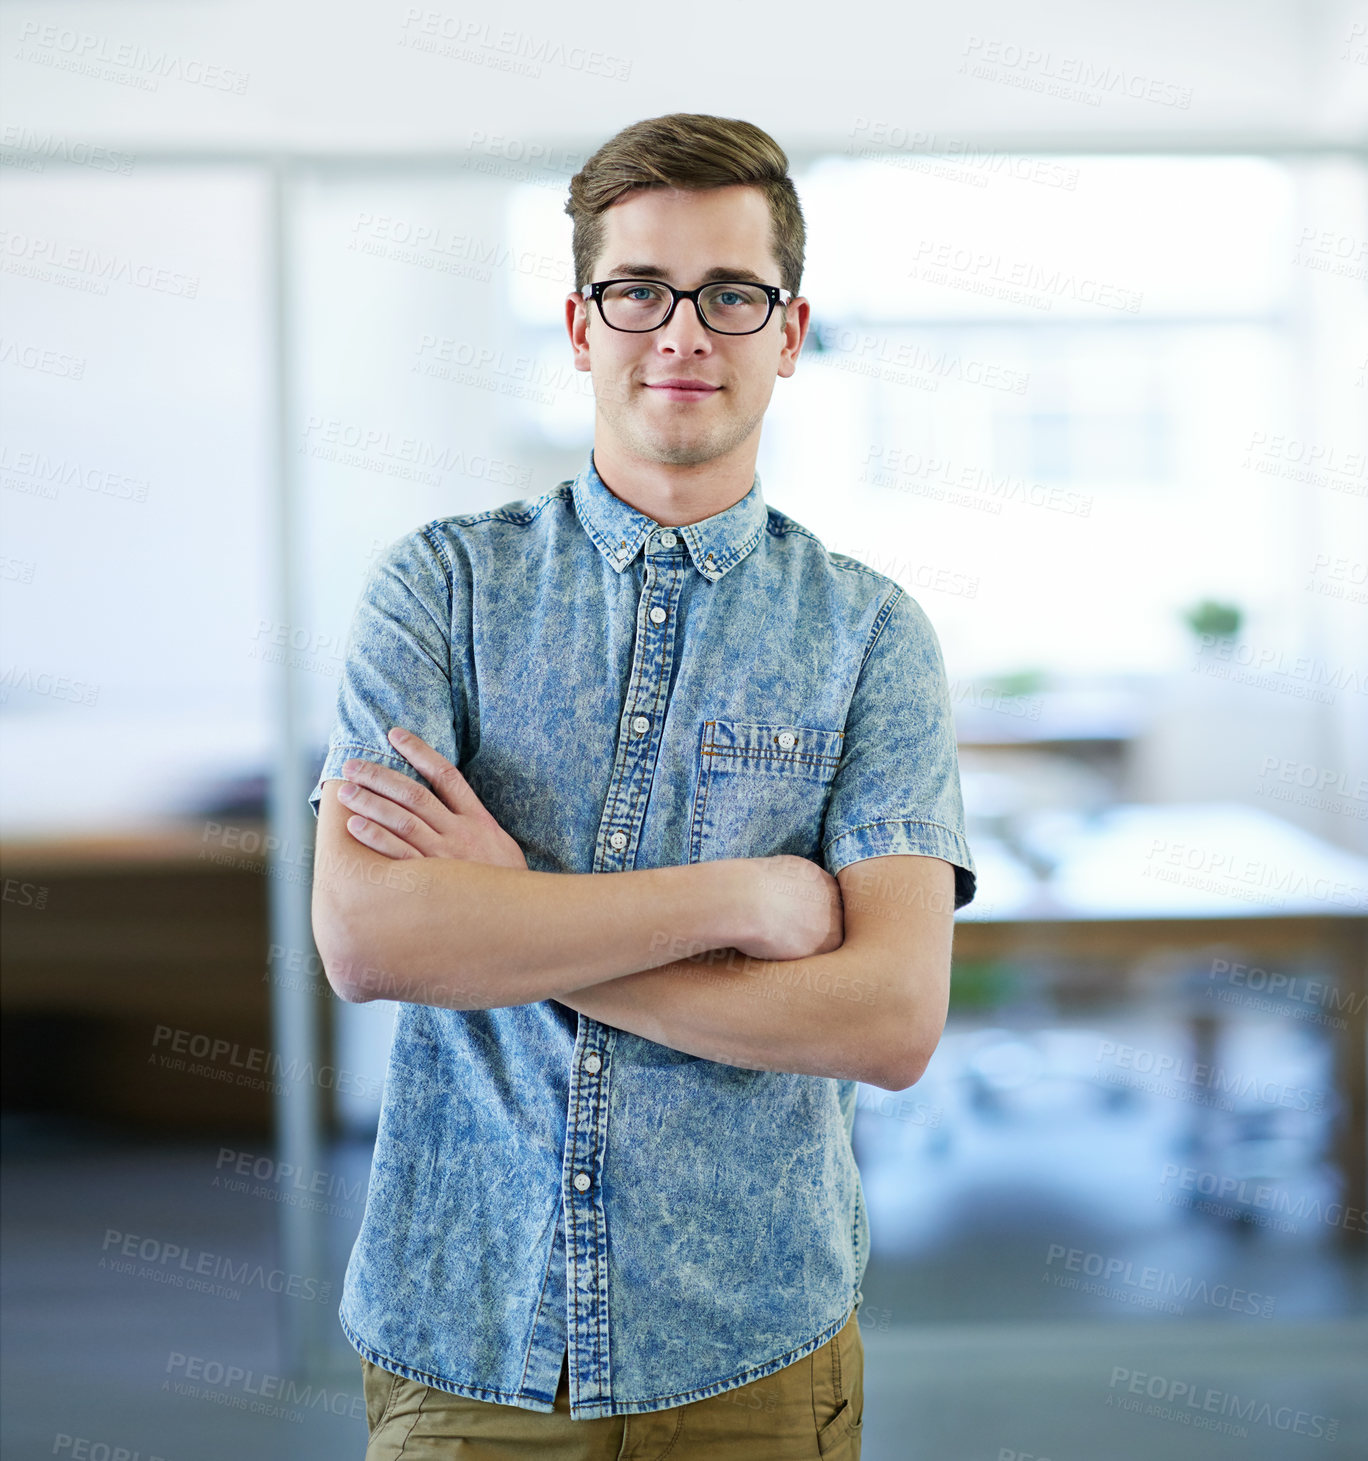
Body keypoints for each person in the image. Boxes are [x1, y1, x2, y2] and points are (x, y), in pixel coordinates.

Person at [308, 110, 977, 1461]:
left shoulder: (869, 635)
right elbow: (374, 938)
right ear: (579, 325)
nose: (683, 333)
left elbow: (893, 1016)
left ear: (788, 335)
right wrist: (741, 897)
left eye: (732, 294)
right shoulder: (437, 589)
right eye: (639, 291)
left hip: (755, 1352)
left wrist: (512, 915)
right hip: (469, 1345)